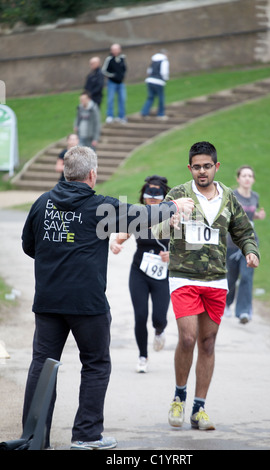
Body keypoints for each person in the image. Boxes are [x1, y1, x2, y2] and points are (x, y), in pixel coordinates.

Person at [21, 145, 194, 450]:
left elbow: (29, 246)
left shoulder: (42, 203)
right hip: (87, 304)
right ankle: (86, 436)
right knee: (96, 364)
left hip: (47, 301)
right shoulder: (99, 207)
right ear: (92, 174)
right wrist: (173, 206)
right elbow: (141, 215)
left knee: (42, 365)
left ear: (65, 171)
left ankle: (33, 438)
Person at [152, 141, 260, 431]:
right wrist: (170, 220)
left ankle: (199, 409)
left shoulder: (228, 197)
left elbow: (244, 230)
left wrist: (251, 250)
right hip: (183, 277)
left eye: (207, 166)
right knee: (187, 338)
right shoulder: (178, 194)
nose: (202, 171)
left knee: (208, 343)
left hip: (215, 280)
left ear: (216, 166)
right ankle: (179, 395)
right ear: (190, 168)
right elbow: (156, 229)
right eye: (197, 166)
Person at [110, 175, 171, 373]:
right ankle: (142, 356)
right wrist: (115, 244)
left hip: (162, 274)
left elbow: (186, 247)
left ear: (164, 198)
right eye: (149, 196)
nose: (152, 199)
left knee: (159, 318)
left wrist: (172, 254)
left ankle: (160, 330)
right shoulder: (138, 217)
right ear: (144, 197)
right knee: (140, 315)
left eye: (157, 196)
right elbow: (121, 237)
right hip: (139, 272)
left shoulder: (172, 218)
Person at [225, 165, 266, 324]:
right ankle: (226, 305)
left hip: (250, 242)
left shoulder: (255, 197)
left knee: (247, 277)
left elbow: (250, 215)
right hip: (232, 243)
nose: (247, 178)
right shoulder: (232, 196)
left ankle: (243, 311)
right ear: (238, 179)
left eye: (250, 176)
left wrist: (257, 216)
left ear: (253, 179)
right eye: (244, 176)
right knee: (231, 277)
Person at [102, 44, 127, 124]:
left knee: (122, 99)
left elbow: (124, 69)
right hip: (112, 83)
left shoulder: (122, 58)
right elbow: (104, 70)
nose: (115, 51)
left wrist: (122, 76)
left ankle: (121, 116)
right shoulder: (109, 59)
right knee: (110, 99)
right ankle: (110, 116)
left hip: (121, 83)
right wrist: (112, 75)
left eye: (117, 49)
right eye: (114, 50)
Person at [141, 50, 169, 120]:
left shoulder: (153, 61)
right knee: (161, 98)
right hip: (159, 81)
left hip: (150, 80)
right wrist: (165, 79)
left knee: (150, 97)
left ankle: (144, 112)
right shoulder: (164, 61)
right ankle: (161, 114)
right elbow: (164, 72)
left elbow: (149, 71)